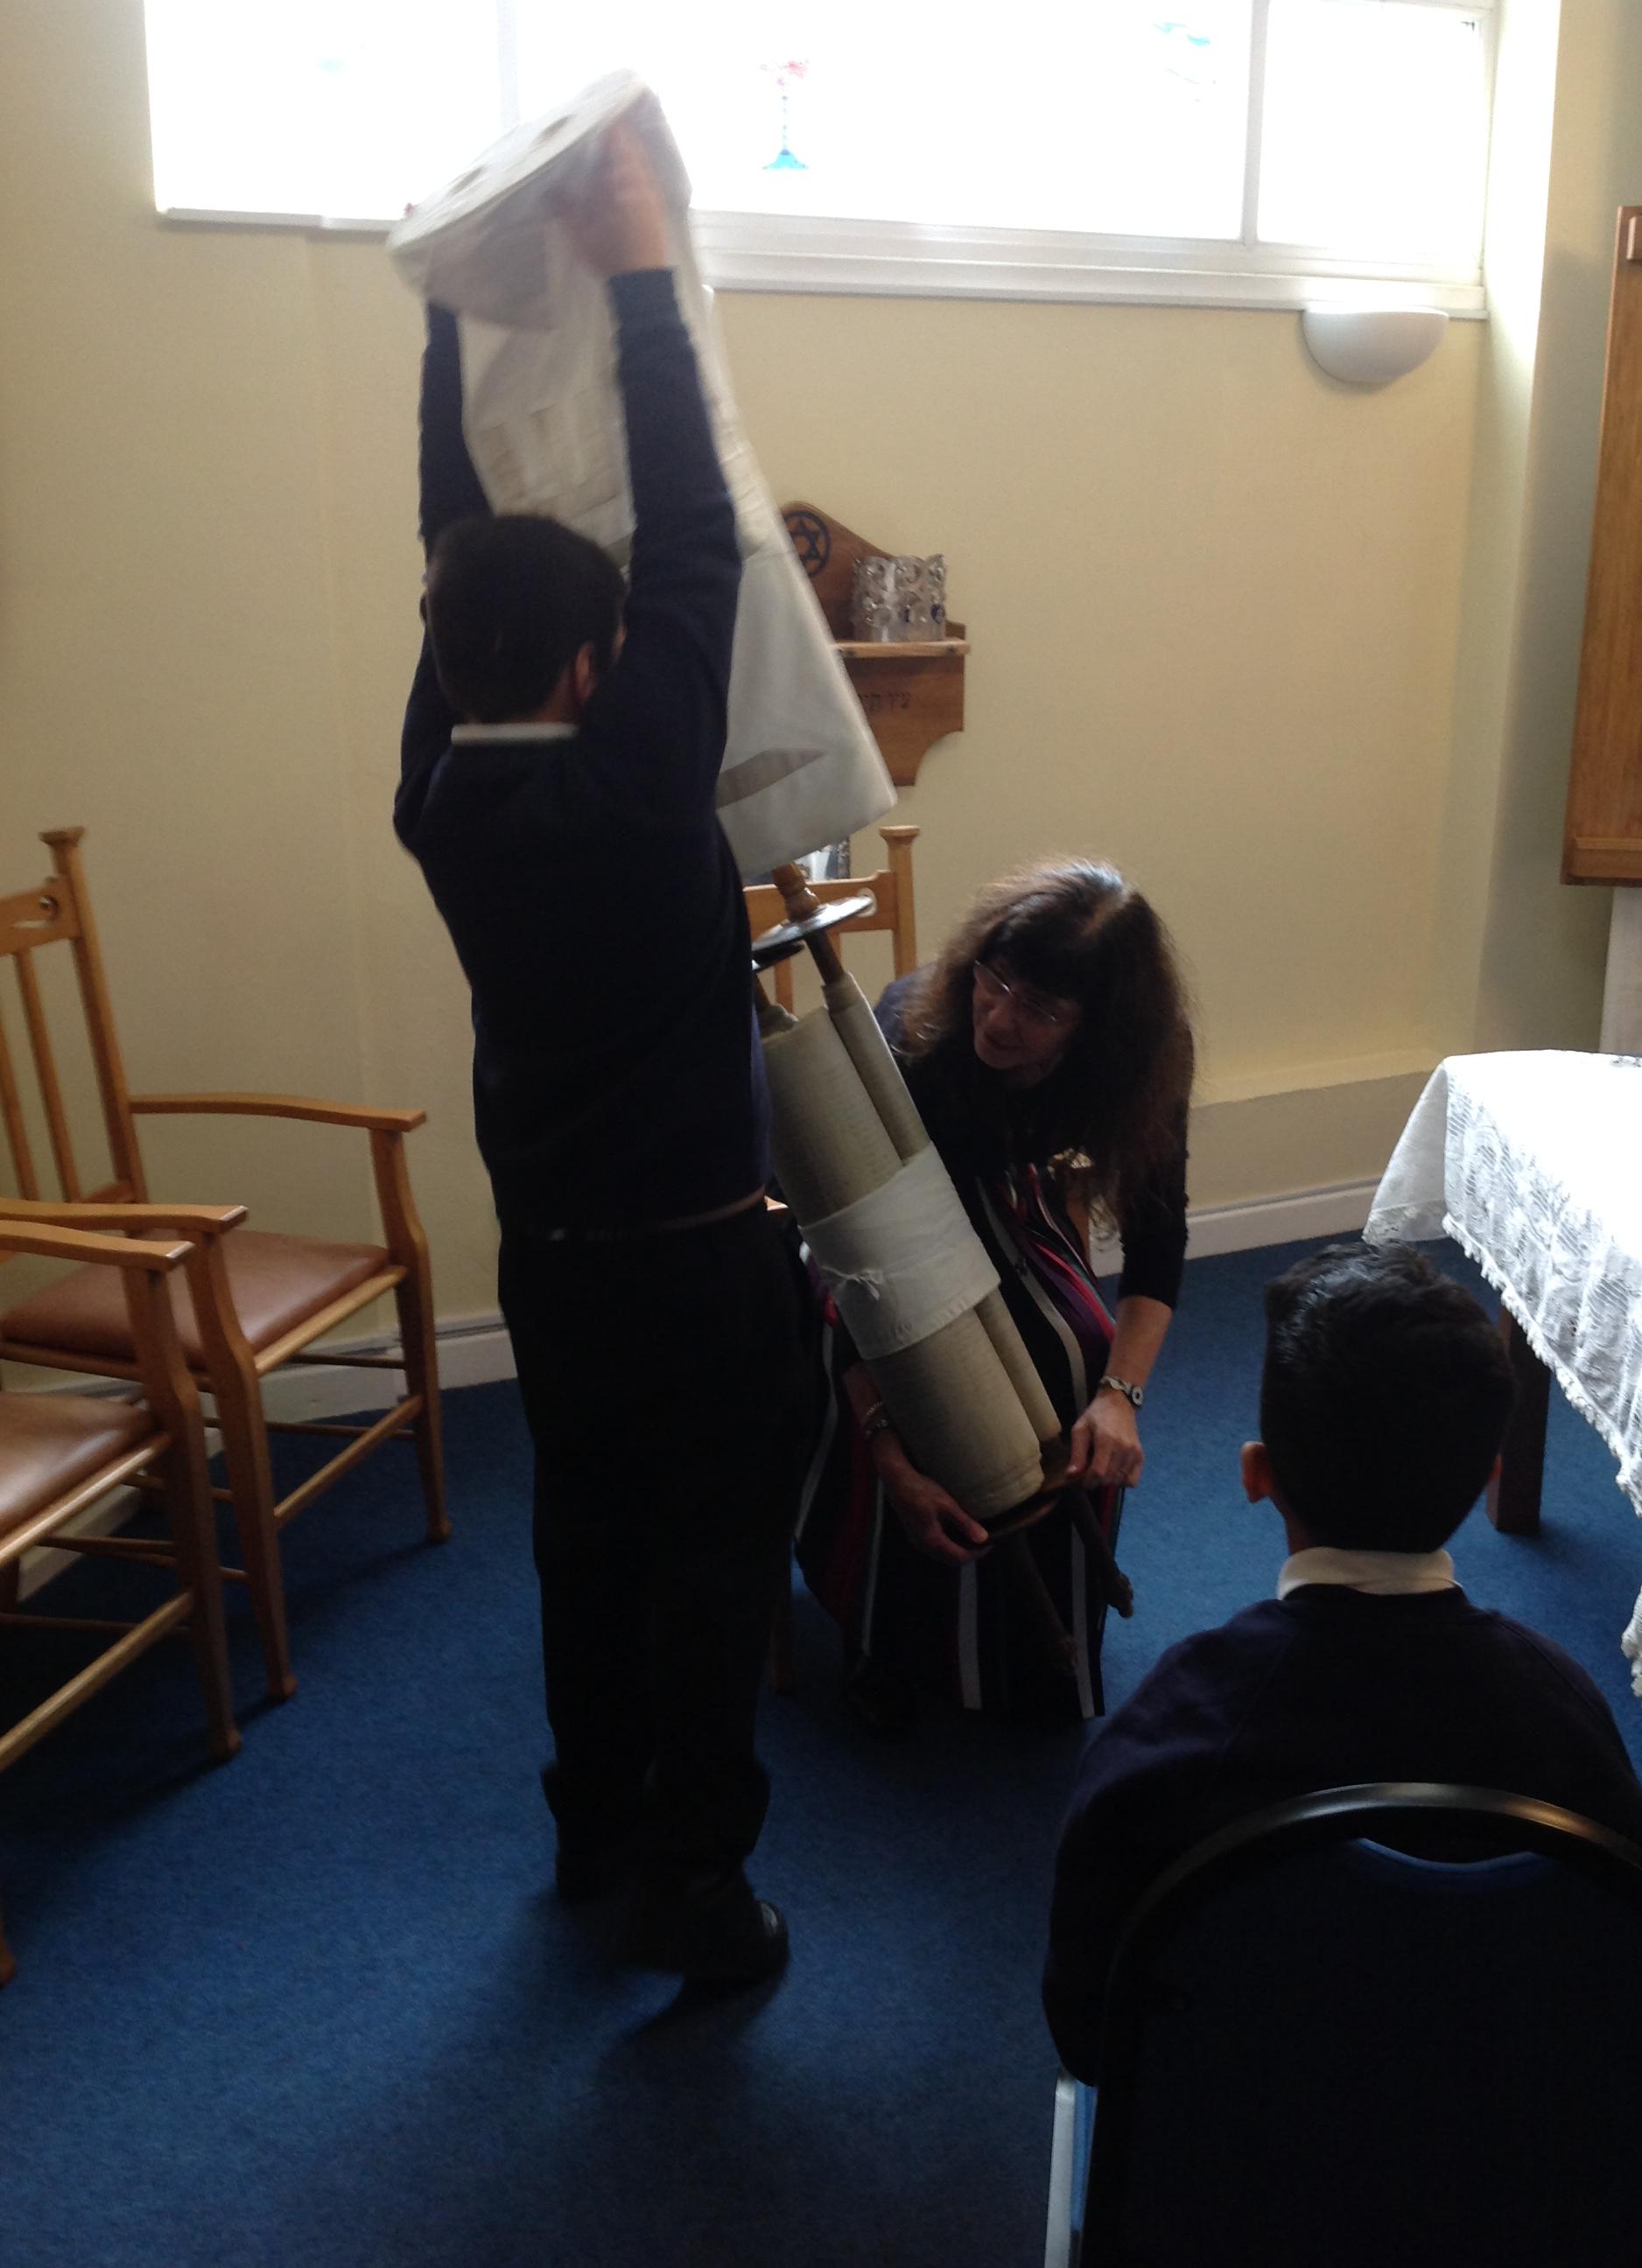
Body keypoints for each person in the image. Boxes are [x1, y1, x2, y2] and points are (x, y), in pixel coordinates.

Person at [394, 124, 808, 1985]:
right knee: (715, 1568)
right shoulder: (640, 791)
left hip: (552, 1268)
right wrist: (638, 268)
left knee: (584, 1541)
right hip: (703, 1271)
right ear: (590, 668)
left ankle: (593, 1827)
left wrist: (453, 327)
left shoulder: (438, 800)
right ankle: (696, 1889)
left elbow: (449, 555)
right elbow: (697, 527)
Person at [1042, 1242, 1642, 2082]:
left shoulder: (1174, 1731)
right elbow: (1622, 1969)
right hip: (1506, 2127)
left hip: (1228, 2134)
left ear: (1257, 1474)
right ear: (1491, 1476)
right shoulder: (1567, 1719)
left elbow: (1088, 2029)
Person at [795, 861, 1193, 1730]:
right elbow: (853, 1260)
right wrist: (887, 1448)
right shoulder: (917, 1042)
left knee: (1076, 1355)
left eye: (1041, 1009)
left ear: (1098, 1028)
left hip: (1006, 1200)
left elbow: (1159, 1241)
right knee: (939, 1387)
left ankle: (1031, 1645)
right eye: (996, 981)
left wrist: (1120, 1398)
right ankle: (890, 1630)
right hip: (866, 1238)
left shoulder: (1142, 1064)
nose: (1002, 1018)